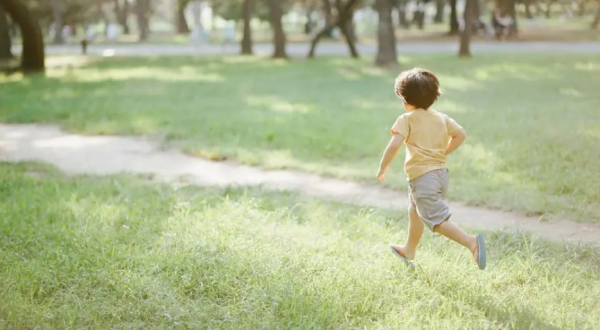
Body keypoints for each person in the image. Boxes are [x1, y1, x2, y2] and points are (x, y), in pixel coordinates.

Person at [376, 68, 487, 270]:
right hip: (440, 174)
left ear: (405, 100)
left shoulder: (406, 119)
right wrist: (443, 152)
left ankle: (471, 242)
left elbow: (394, 145)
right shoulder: (441, 117)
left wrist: (383, 167)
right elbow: (460, 135)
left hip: (423, 177)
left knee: (436, 220)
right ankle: (409, 249)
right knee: (415, 210)